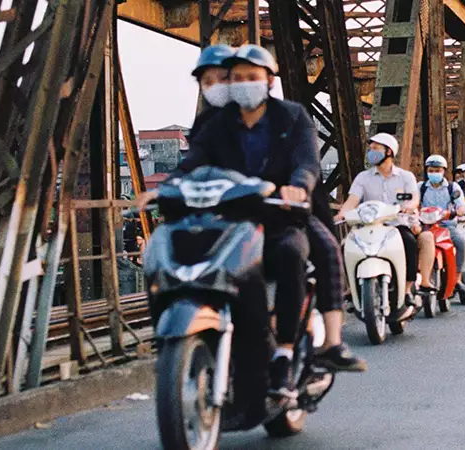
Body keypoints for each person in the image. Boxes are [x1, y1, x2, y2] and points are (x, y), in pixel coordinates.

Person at [138, 44, 364, 400]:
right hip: (234, 218)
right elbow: (195, 160)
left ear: (269, 80)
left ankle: (284, 352)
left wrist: (298, 186)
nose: (243, 84)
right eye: (237, 78)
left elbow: (307, 161)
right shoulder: (219, 122)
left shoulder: (292, 116)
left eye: (252, 77)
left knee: (293, 253)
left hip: (279, 215)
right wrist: (167, 186)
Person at [335, 133, 426, 316]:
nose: (371, 152)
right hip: (369, 226)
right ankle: (351, 289)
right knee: (346, 245)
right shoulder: (363, 177)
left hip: (396, 224)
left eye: (376, 148)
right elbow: (352, 200)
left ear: (389, 151)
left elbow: (414, 198)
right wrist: (341, 214)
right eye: (371, 148)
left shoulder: (405, 177)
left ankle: (407, 289)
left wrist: (408, 206)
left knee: (408, 241)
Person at [418, 155, 465, 293]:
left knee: (460, 242)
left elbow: (461, 204)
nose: (434, 173)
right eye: (431, 170)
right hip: (426, 226)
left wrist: (460, 210)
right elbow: (412, 203)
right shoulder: (421, 187)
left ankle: (457, 279)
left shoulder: (452, 187)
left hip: (446, 225)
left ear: (443, 171)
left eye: (437, 170)